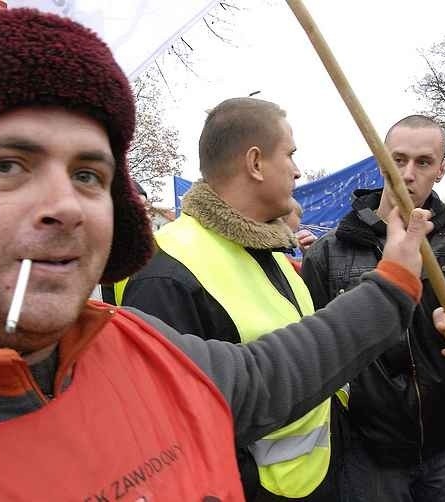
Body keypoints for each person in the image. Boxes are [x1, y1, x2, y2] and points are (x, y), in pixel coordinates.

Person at [0, 9, 436, 501]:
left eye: (89, 174)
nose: (66, 205)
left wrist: (395, 279)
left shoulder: (135, 344)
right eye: (6, 165)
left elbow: (269, 374)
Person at [122, 97, 351, 501]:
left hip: (318, 481)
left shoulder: (269, 250)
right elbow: (171, 441)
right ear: (255, 163)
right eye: (290, 154)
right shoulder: (167, 272)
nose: (298, 170)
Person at [301, 115, 445, 502]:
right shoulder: (330, 250)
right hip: (368, 452)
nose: (408, 174)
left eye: (423, 162)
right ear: (381, 160)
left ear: (442, 170)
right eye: (397, 159)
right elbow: (307, 346)